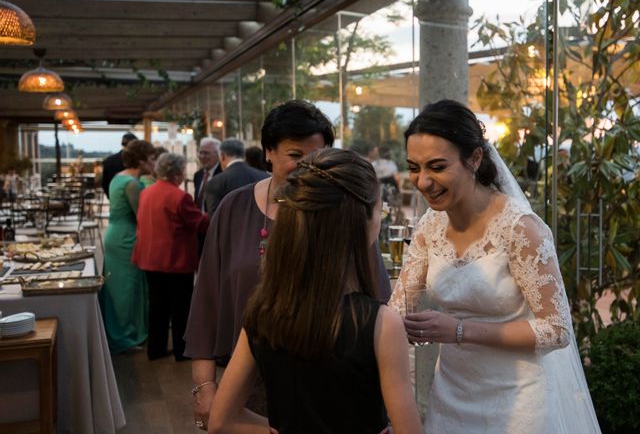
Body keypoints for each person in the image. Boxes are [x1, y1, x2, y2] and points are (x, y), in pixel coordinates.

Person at [390, 100, 600, 433]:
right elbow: (400, 305)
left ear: (474, 159)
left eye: (437, 167)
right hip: (452, 397)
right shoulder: (429, 227)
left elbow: (556, 330)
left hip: (519, 402)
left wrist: (457, 329)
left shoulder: (521, 229)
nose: (423, 181)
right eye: (414, 167)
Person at [185, 100, 392, 431]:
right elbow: (207, 300)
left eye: (316, 157)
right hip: (246, 385)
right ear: (268, 151)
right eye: (296, 156)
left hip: (332, 386)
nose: (307, 168)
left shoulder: (342, 216)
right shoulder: (233, 209)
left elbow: (376, 295)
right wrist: (205, 385)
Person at [209, 148, 421, 434]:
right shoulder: (380, 324)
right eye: (379, 210)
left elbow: (221, 421)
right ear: (362, 219)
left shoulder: (263, 313)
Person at [132, 153, 209, 361]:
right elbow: (199, 223)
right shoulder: (179, 196)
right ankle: (181, 350)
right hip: (174, 259)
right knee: (180, 307)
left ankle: (155, 349)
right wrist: (218, 214)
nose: (184, 174)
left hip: (150, 258)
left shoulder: (146, 192)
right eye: (183, 170)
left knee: (157, 305)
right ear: (176, 173)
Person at [99, 139, 156, 353]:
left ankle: (122, 331)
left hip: (115, 233)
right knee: (126, 288)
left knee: (119, 285)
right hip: (126, 237)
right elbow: (141, 214)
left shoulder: (118, 177)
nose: (154, 162)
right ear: (141, 161)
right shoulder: (132, 183)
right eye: (151, 159)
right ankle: (125, 336)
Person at [204, 138, 269, 216]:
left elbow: (214, 218)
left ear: (222, 156)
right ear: (243, 155)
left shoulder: (215, 182)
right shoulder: (265, 177)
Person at [101, 132, 138, 198]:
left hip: (113, 196)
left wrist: (110, 197)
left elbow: (104, 183)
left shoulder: (108, 161)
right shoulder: (135, 160)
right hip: (130, 196)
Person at [194, 137, 222, 212]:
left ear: (218, 155)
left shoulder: (223, 176)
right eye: (200, 153)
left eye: (206, 153)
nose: (202, 156)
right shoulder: (198, 175)